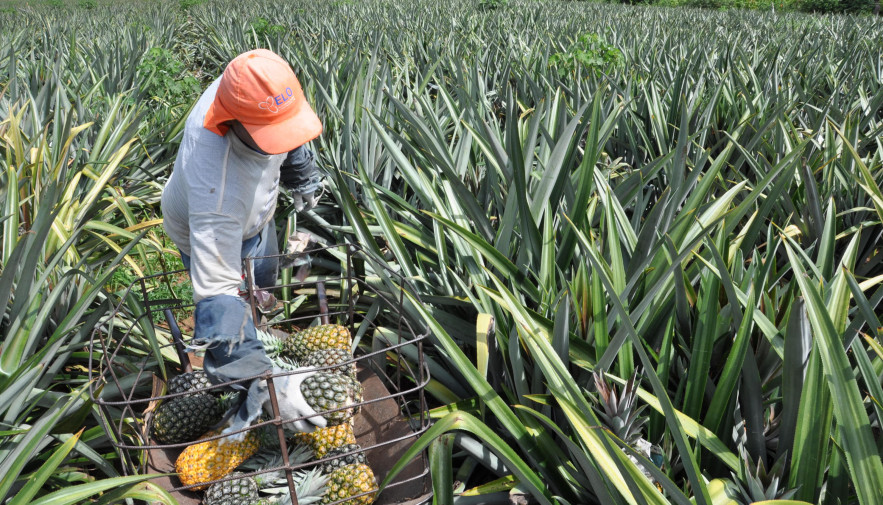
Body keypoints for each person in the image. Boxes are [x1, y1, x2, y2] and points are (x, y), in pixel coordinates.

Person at [161, 49, 326, 436]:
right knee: (232, 310)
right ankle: (249, 384)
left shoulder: (251, 85)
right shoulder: (215, 189)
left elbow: (286, 124)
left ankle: (260, 332)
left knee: (262, 281)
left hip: (255, 214)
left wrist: (301, 173)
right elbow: (216, 294)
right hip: (208, 226)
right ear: (232, 121)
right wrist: (265, 382)